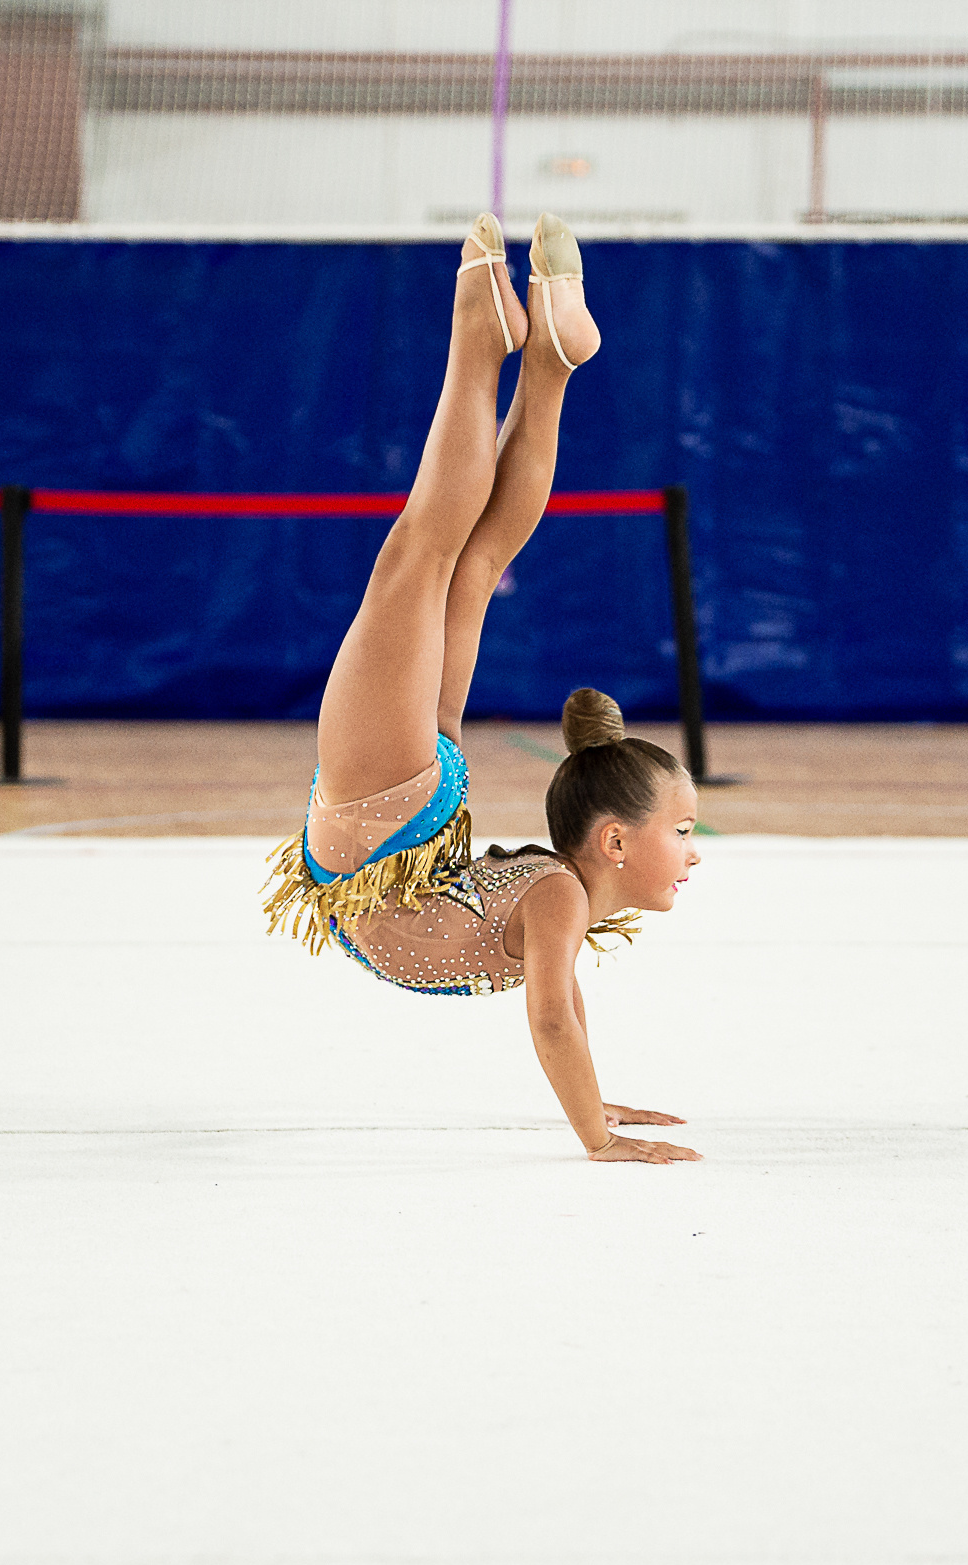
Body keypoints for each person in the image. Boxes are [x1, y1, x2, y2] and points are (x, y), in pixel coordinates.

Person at [264, 212, 703, 1166]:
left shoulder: (559, 897)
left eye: (686, 829)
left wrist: (595, 1094)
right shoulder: (557, 898)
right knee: (427, 556)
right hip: (387, 817)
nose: (693, 851)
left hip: (413, 818)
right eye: (683, 829)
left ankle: (551, 360)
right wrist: (597, 1136)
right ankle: (485, 340)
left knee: (461, 560)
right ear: (613, 841)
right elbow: (552, 1018)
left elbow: (563, 1008)